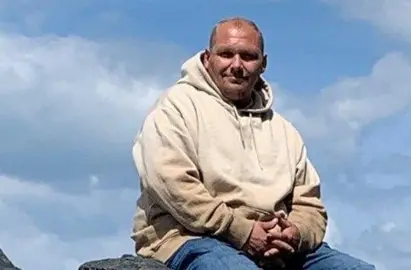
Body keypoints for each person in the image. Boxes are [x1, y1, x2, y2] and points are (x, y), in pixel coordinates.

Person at [130, 16, 375, 270]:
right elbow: (171, 183)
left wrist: (295, 233)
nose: (236, 65)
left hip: (273, 244)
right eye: (226, 54)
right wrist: (242, 231)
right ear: (207, 58)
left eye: (248, 56)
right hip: (191, 237)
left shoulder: (283, 130)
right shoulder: (175, 108)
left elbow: (308, 203)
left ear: (263, 63)